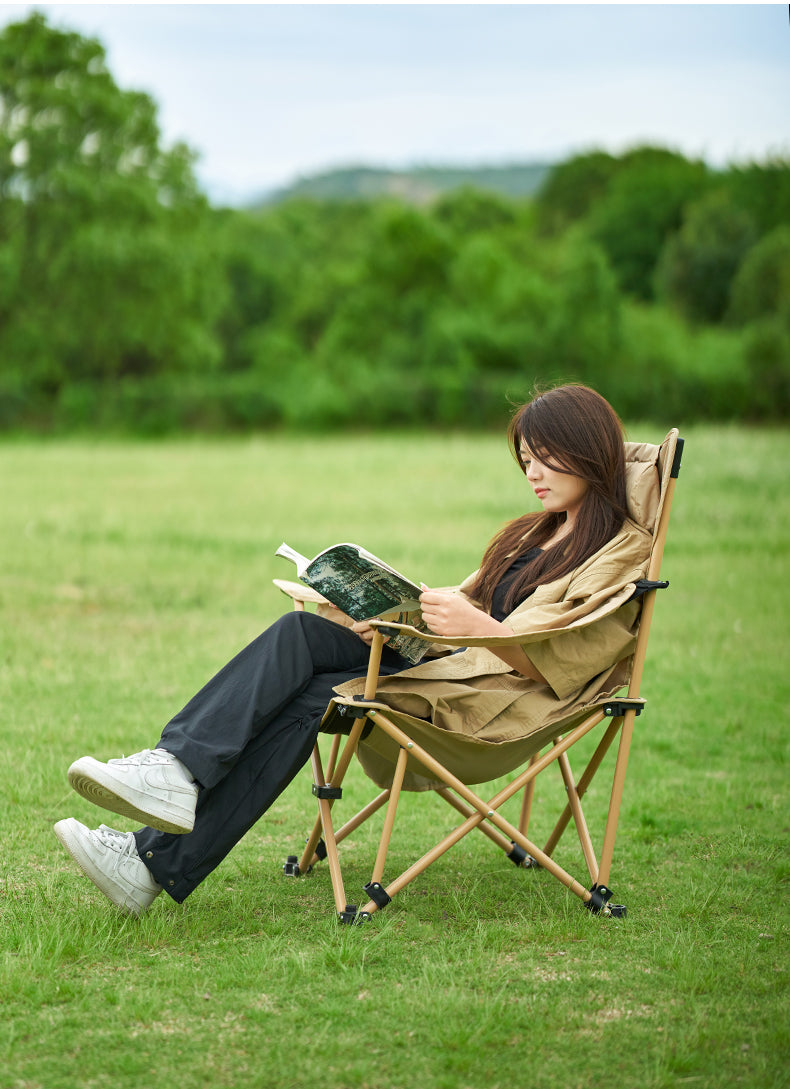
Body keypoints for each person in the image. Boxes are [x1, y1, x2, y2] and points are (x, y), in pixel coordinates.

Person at [54, 383, 653, 916]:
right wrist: (391, 616)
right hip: (443, 662)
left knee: (315, 696)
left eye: (545, 457)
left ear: (589, 452)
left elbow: (570, 657)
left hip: (489, 700)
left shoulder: (621, 550)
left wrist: (474, 625)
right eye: (525, 460)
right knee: (303, 636)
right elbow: (464, 606)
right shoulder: (535, 531)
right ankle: (171, 781)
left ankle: (152, 851)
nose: (533, 472)